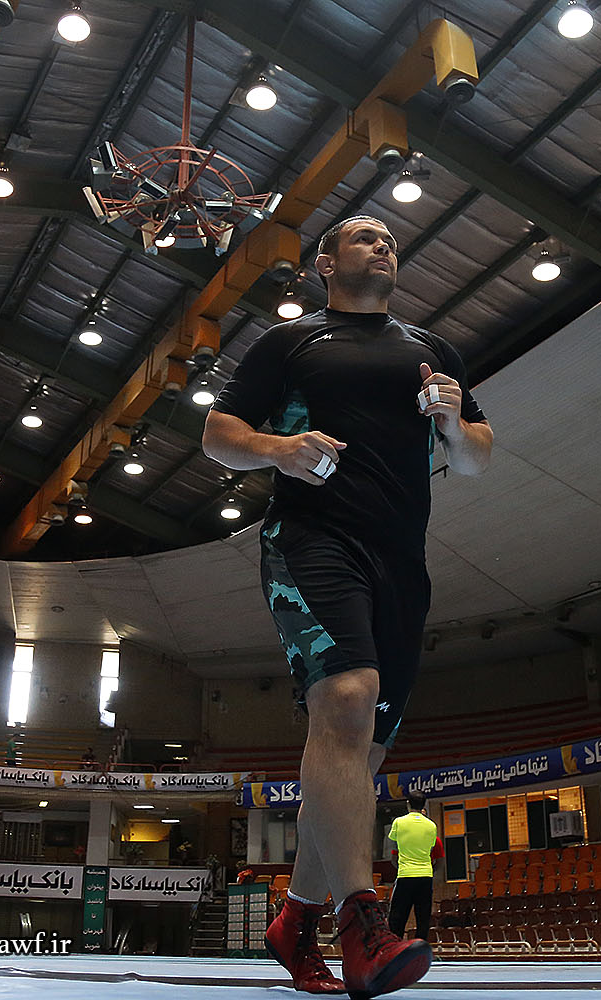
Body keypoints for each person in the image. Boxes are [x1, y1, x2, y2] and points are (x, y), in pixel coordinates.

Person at [204, 215, 491, 997]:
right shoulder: (291, 342)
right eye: (363, 236)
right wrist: (277, 449)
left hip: (401, 563)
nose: (383, 244)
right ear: (325, 263)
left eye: (390, 238)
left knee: (358, 760)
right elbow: (217, 434)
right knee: (346, 698)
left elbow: (475, 458)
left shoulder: (433, 351)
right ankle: (363, 923)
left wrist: (452, 421)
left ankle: (295, 919)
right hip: (311, 539)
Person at [386, 794, 442, 941]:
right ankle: (421, 947)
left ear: (408, 803)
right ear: (423, 805)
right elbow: (431, 847)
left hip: (405, 875)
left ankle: (396, 946)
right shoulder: (431, 825)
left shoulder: (399, 822)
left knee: (397, 918)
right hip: (425, 876)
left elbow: (394, 847)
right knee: (423, 918)